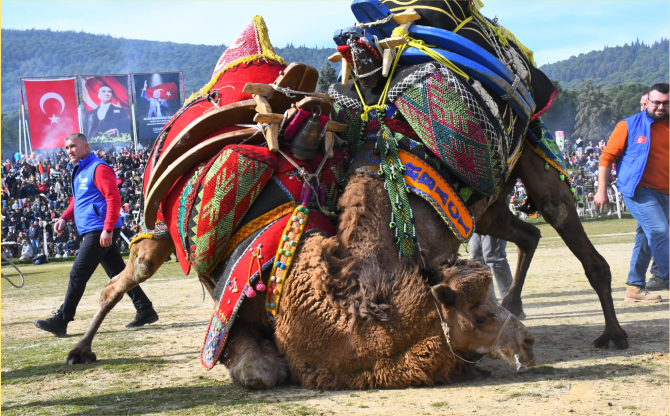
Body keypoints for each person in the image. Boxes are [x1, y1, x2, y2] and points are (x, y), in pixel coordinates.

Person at [34, 133, 158, 337]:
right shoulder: (80, 170)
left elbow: (113, 198)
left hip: (99, 229)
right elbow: (78, 199)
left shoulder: (98, 168)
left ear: (85, 146)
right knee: (118, 272)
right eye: (66, 147)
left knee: (78, 273)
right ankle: (145, 309)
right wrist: (65, 217)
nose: (69, 150)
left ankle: (62, 320)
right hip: (95, 229)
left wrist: (108, 228)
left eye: (73, 146)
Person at [595, 83, 669, 302]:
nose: (661, 107)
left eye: (666, 103)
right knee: (659, 231)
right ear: (647, 101)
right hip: (639, 190)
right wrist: (601, 191)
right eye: (656, 102)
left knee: (646, 237)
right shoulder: (628, 125)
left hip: (666, 193)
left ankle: (634, 288)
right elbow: (606, 158)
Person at [469, 233, 515, 303]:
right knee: (476, 257)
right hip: (474, 224)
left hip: (493, 223)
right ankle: (489, 301)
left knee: (493, 256)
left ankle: (510, 302)